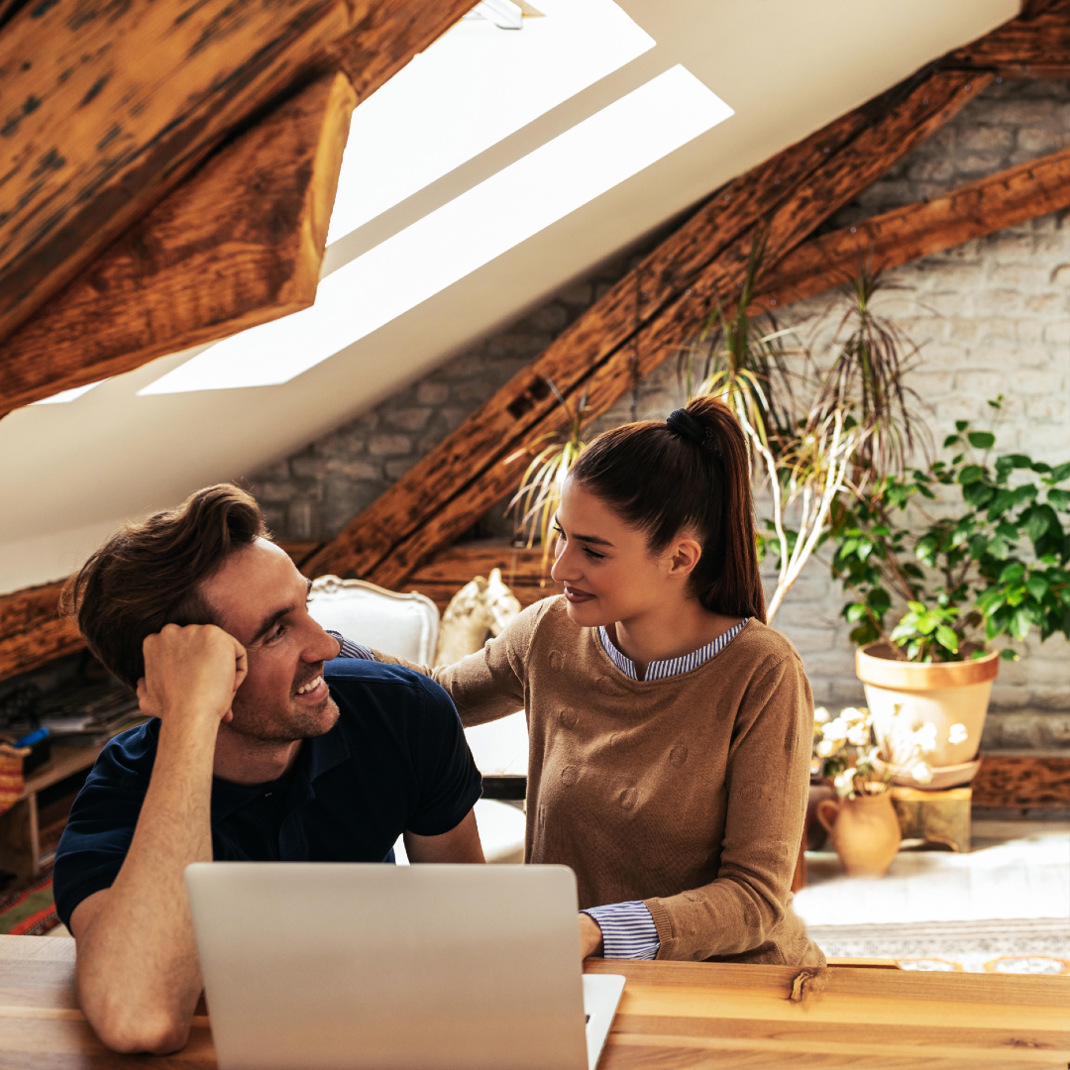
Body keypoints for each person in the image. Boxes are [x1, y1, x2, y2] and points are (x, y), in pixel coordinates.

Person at [356, 397, 822, 966]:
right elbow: (433, 696)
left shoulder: (762, 673)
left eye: (593, 551)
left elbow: (756, 899)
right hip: (579, 976)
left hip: (726, 987)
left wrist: (597, 930)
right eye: (563, 536)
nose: (561, 568)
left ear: (679, 559)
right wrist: (320, 641)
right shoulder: (547, 632)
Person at [52, 486, 484, 1055]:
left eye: (307, 608)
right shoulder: (124, 790)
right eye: (276, 630)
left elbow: (475, 923)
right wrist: (190, 719)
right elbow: (141, 1018)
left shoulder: (404, 712)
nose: (327, 645)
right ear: (189, 674)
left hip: (384, 1032)